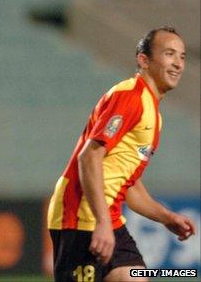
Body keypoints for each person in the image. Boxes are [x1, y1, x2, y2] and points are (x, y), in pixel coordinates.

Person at [47, 26, 196, 282]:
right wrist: (102, 224)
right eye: (170, 54)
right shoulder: (131, 96)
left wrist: (166, 217)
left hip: (109, 218)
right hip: (81, 217)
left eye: (182, 56)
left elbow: (127, 184)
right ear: (144, 60)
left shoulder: (152, 112)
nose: (178, 64)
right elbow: (89, 156)